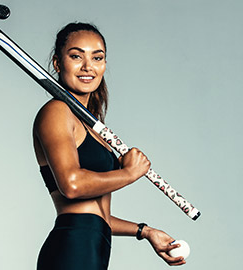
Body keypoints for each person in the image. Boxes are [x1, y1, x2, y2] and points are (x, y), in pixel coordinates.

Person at [33, 23, 186, 270]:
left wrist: (145, 232)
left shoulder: (92, 126)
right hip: (72, 247)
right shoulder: (56, 112)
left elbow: (97, 215)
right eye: (76, 56)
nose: (88, 67)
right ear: (57, 63)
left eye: (97, 57)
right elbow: (72, 186)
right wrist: (128, 173)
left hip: (93, 245)